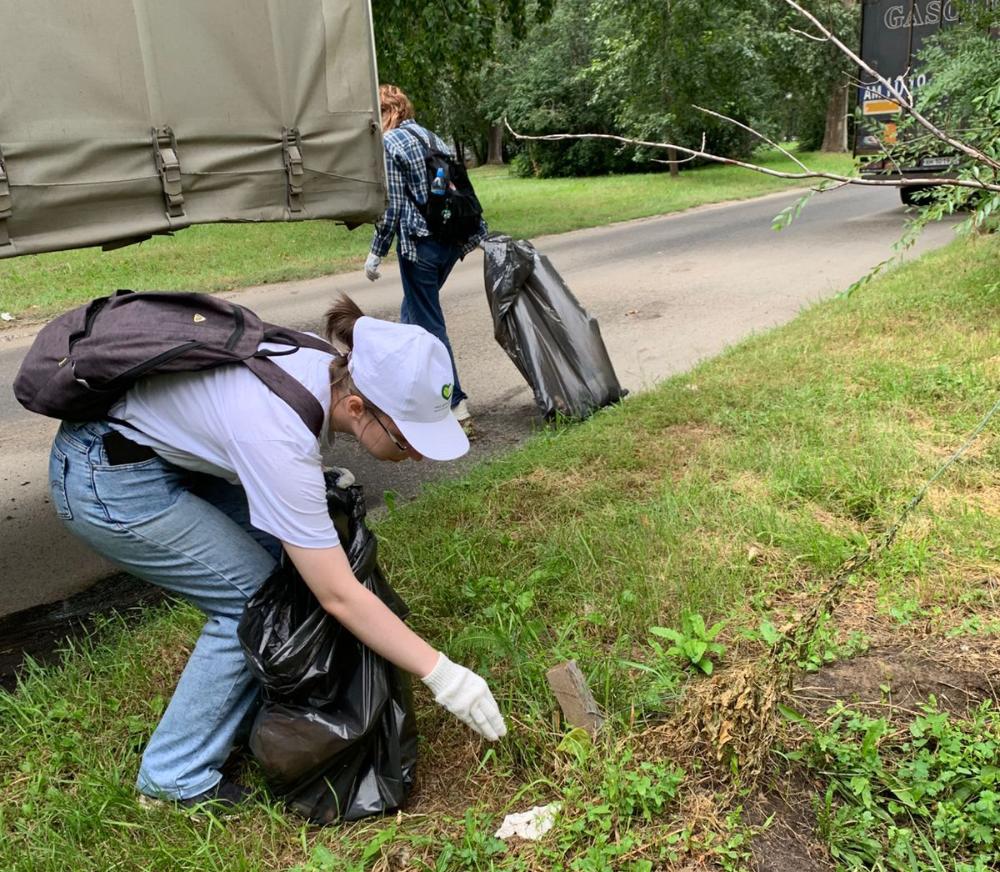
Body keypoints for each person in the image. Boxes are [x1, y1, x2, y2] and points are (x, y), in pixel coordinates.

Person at [47, 294, 506, 809]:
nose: (417, 454)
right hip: (107, 480)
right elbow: (339, 595)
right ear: (357, 408)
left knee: (279, 574)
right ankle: (173, 778)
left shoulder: (325, 364)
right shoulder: (279, 435)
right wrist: (445, 676)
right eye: (408, 441)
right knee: (252, 601)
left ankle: (246, 713)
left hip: (155, 452)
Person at [364, 84, 486, 434]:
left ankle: (456, 404)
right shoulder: (432, 137)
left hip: (420, 247)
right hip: (450, 244)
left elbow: (394, 207)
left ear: (387, 112)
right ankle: (407, 393)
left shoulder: (389, 144)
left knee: (429, 325)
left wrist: (376, 252)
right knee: (411, 315)